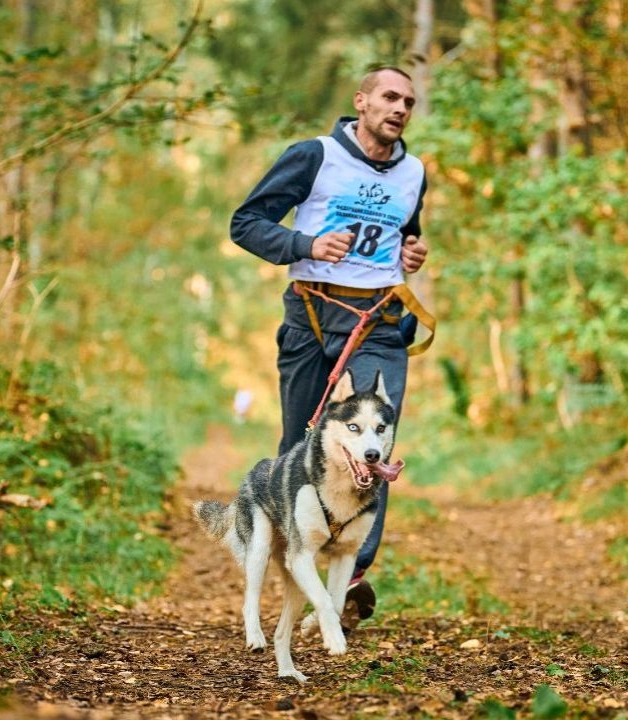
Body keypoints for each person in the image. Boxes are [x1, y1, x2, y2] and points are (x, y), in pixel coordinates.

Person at [230, 66, 430, 631]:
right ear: (361, 101)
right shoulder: (313, 155)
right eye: (389, 97)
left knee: (370, 442)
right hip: (311, 317)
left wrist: (411, 253)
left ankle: (352, 573)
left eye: (409, 102)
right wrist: (306, 243)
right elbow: (245, 223)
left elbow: (404, 233)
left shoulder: (414, 171)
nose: (400, 108)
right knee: (300, 446)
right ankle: (299, 563)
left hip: (379, 321)